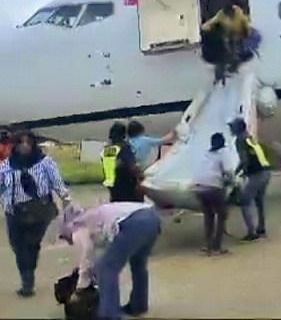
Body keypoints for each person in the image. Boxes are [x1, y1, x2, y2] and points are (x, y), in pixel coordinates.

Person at [59, 201, 162, 319]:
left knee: (106, 268)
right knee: (138, 263)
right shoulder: (93, 215)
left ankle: (109, 315)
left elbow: (87, 252)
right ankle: (139, 305)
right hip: (152, 218)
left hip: (135, 223)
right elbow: (104, 248)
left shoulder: (77, 226)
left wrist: (82, 283)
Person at [0, 130, 72, 297]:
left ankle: (27, 281)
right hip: (14, 211)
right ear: (15, 145)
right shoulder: (6, 166)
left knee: (31, 245)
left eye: (28, 142)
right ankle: (27, 274)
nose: (25, 146)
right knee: (17, 246)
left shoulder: (45, 163)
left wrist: (66, 202)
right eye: (21, 142)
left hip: (39, 211)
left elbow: (58, 184)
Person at [230, 118, 271, 242]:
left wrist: (236, 173)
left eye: (232, 127)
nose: (230, 129)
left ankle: (251, 232)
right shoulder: (249, 137)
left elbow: (244, 160)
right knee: (259, 202)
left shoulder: (240, 140)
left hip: (257, 174)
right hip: (266, 171)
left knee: (244, 201)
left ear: (238, 128)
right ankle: (261, 228)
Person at [192, 133, 233, 255]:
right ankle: (217, 246)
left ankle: (208, 246)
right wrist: (231, 182)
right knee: (222, 215)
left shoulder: (206, 153)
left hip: (198, 186)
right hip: (213, 186)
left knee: (208, 215)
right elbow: (228, 171)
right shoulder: (223, 152)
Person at [201, 0, 252, 82]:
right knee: (225, 53)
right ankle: (220, 74)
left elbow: (245, 21)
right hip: (228, 36)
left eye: (230, 13)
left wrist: (248, 30)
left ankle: (233, 67)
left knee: (237, 52)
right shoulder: (222, 14)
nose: (229, 15)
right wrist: (205, 27)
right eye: (227, 13)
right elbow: (213, 21)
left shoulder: (238, 11)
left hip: (239, 34)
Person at [102, 122, 143, 203]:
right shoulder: (125, 148)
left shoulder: (107, 150)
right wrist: (140, 180)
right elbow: (132, 167)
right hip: (127, 185)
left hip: (114, 188)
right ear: (124, 134)